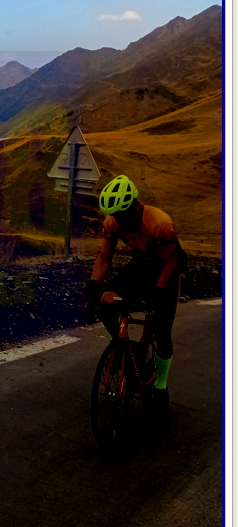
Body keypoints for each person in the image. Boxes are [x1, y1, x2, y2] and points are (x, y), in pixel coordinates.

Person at [84, 174, 187, 412]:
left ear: (135, 206)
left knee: (161, 329)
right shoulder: (112, 221)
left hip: (167, 265)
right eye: (115, 215)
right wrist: (92, 287)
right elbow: (104, 258)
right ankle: (122, 350)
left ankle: (161, 384)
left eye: (123, 214)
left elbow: (171, 264)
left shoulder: (159, 222)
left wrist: (158, 294)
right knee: (106, 303)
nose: (119, 220)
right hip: (142, 263)